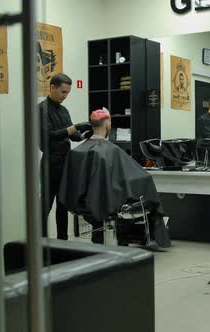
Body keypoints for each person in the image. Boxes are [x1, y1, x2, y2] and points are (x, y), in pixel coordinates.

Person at [58, 109, 171, 247]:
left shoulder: (76, 152)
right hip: (109, 202)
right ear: (108, 126)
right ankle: (144, 235)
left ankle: (103, 236)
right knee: (146, 191)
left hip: (82, 203)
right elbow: (137, 177)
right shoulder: (110, 150)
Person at [38, 73, 92, 240]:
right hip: (50, 163)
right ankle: (41, 242)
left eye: (67, 92)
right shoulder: (41, 109)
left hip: (65, 162)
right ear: (52, 87)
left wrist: (85, 135)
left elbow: (72, 136)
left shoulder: (64, 110)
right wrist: (74, 127)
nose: (65, 96)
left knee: (63, 205)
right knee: (45, 205)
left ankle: (63, 242)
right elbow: (49, 135)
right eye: (63, 92)